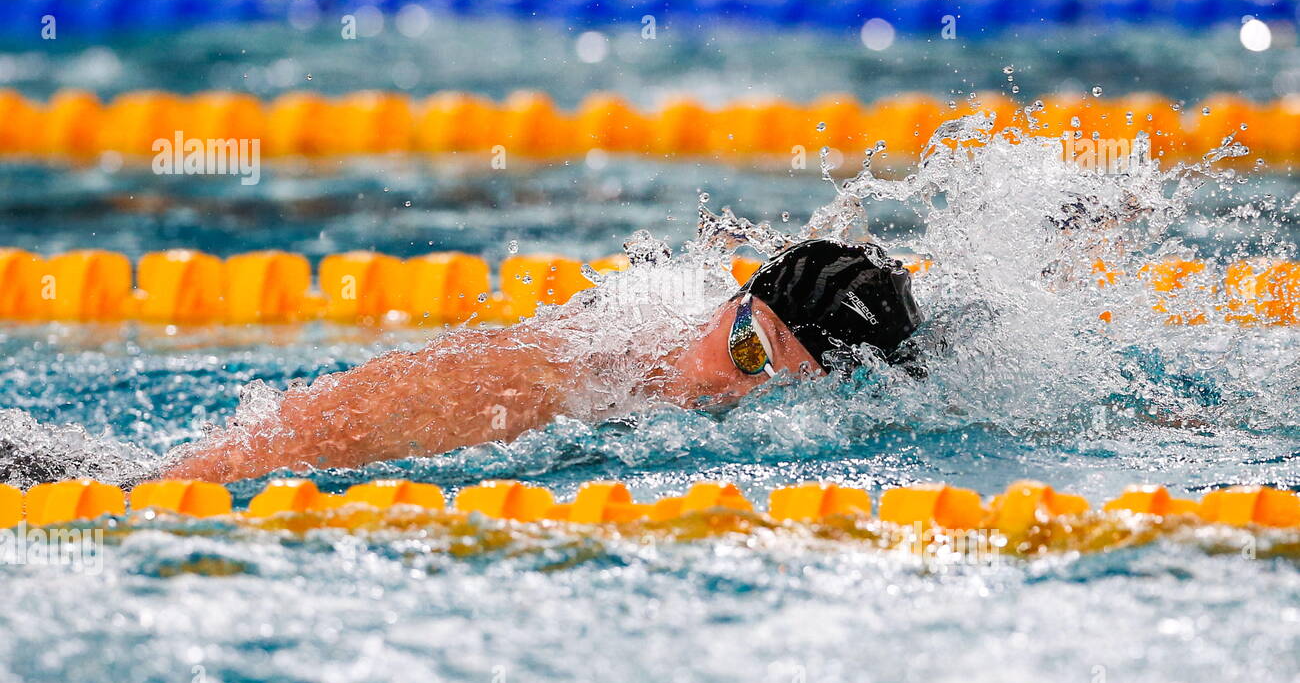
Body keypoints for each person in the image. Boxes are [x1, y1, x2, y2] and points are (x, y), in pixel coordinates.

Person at [160, 239, 921, 483]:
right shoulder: (561, 375)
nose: (735, 390)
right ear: (731, 306)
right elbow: (298, 445)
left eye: (780, 390)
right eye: (746, 350)